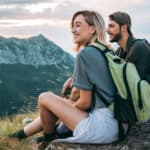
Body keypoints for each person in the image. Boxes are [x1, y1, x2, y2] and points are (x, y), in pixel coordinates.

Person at [9, 10, 118, 145]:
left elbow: (85, 103)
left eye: (77, 25)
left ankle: (50, 141)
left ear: (92, 28)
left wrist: (63, 113)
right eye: (72, 26)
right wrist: (72, 82)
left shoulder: (85, 53)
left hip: (101, 127)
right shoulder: (105, 50)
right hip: (115, 123)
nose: (73, 30)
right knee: (59, 103)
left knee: (44, 98)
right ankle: (17, 136)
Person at [106, 11, 150, 82]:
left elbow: (130, 83)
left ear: (124, 28)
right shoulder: (119, 52)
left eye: (111, 26)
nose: (107, 30)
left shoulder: (139, 48)